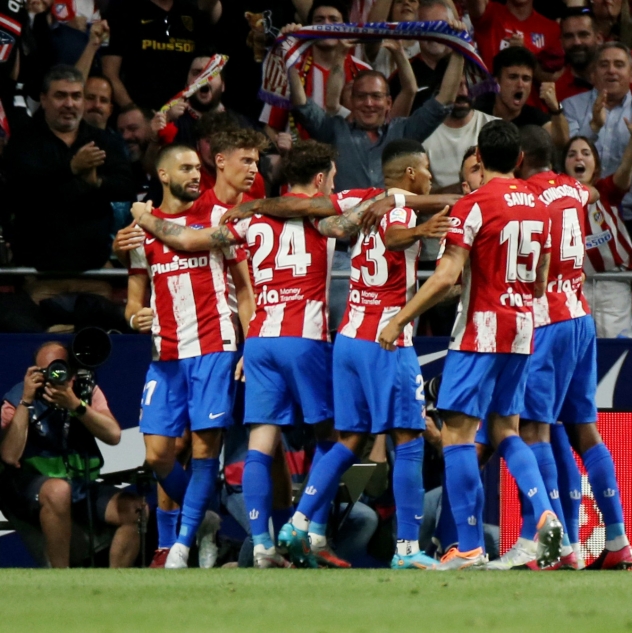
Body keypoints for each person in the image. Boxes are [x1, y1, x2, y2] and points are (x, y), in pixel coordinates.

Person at [128, 140, 399, 568]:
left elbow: (191, 238)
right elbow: (383, 202)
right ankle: (305, 527)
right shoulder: (331, 212)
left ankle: (261, 544)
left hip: (259, 340)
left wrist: (146, 218)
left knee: (261, 443)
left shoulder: (251, 220)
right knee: (338, 437)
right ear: (320, 178)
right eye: (330, 176)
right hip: (305, 337)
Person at [375, 120, 564, 571]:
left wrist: (399, 319)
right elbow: (540, 281)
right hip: (522, 330)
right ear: (519, 158)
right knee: (505, 429)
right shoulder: (540, 206)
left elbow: (445, 276)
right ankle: (544, 514)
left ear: (478, 156)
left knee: (459, 435)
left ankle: (471, 546)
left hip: (480, 331)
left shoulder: (474, 205)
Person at [261, 140, 449, 571]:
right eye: (427, 173)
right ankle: (406, 550)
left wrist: (257, 204)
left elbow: (306, 209)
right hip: (386, 339)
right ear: (410, 175)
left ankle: (298, 522)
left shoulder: (355, 200)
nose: (430, 181)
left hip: (348, 336)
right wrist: (419, 232)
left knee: (349, 439)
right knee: (409, 439)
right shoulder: (399, 212)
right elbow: (397, 234)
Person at [488, 125, 632, 571]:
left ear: (517, 160)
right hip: (579, 317)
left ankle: (544, 544)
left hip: (545, 320)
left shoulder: (525, 196)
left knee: (533, 431)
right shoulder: (573, 189)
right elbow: (590, 195)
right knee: (583, 429)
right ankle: (616, 539)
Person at [124, 143, 254, 569]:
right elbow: (133, 299)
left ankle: (178, 547)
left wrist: (248, 345)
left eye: (198, 168)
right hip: (166, 354)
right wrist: (134, 318)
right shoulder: (141, 232)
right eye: (185, 168)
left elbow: (244, 288)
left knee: (203, 450)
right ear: (163, 175)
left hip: (214, 348)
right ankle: (206, 520)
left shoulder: (217, 220)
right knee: (158, 454)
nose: (196, 175)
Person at [0, 341, 146, 568]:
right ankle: (62, 577)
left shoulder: (84, 391)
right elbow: (9, 455)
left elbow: (113, 435)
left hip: (80, 484)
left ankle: (116, 584)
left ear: (71, 370)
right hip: (29, 486)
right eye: (46, 370)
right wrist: (26, 401)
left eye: (60, 368)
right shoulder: (18, 395)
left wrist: (76, 405)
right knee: (59, 490)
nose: (54, 375)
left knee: (136, 510)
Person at [3, 65, 131, 301]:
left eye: (76, 96)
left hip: (94, 273)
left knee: (98, 330)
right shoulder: (25, 141)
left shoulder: (102, 140)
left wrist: (97, 182)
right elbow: (19, 189)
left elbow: (126, 184)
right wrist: (71, 168)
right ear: (43, 99)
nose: (69, 104)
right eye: (60, 96)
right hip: (39, 276)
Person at [287, 50, 462, 191]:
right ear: (352, 102)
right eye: (361, 96)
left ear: (388, 102)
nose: (369, 103)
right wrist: (291, 54)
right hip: (344, 232)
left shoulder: (404, 132)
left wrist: (459, 50)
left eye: (376, 96)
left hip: (393, 230)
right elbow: (302, 104)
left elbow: (445, 99)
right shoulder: (333, 130)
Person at [563, 42, 632, 249]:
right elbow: (566, 153)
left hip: (631, 216)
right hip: (578, 212)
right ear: (593, 74)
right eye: (604, 64)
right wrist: (593, 127)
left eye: (619, 64)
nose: (611, 70)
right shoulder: (571, 106)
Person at [567, 122, 632, 338]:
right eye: (572, 154)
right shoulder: (558, 198)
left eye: (585, 153)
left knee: (616, 347)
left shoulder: (607, 191)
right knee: (580, 348)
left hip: (613, 285)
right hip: (575, 286)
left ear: (596, 165)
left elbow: (625, 170)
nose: (579, 158)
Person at [260, 2, 373, 143]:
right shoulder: (291, 68)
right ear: (309, 28)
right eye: (319, 20)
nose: (326, 25)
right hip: (300, 159)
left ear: (346, 26)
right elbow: (271, 128)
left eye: (334, 20)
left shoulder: (363, 72)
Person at [102, 0, 214, 110]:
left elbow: (206, 70)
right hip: (140, 114)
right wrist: (135, 113)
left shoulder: (192, 11)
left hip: (186, 115)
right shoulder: (123, 9)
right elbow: (109, 72)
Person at [554, 8, 632, 105]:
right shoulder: (558, 90)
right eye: (569, 36)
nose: (577, 42)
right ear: (561, 42)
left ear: (599, 38)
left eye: (583, 35)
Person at [472, 46, 565, 141]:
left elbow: (561, 142)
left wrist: (555, 109)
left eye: (526, 79)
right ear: (496, 81)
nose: (520, 84)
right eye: (513, 77)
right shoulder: (477, 111)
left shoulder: (533, 118)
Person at [423, 80, 498, 193]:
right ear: (438, 89)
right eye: (456, 85)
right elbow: (421, 193)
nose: (463, 92)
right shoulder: (422, 134)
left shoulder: (497, 128)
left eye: (468, 85)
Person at [468, 0, 562, 79]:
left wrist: (525, 54)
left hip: (534, 100)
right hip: (492, 98)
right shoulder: (490, 14)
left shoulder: (552, 29)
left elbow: (554, 79)